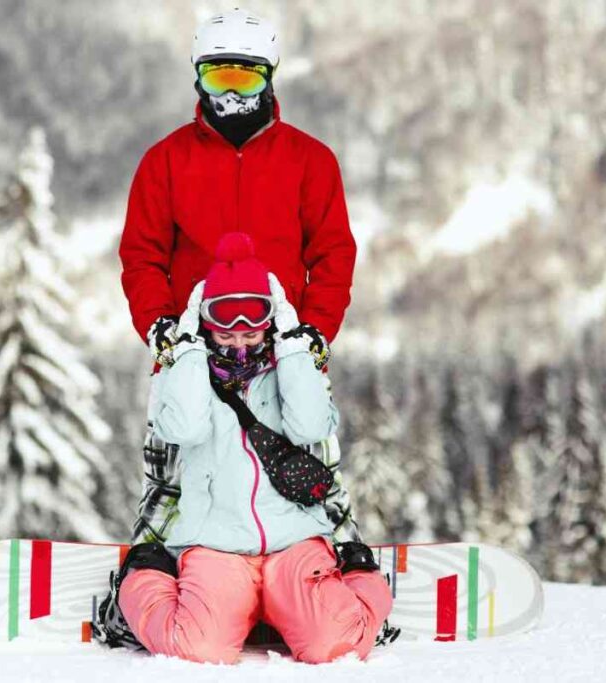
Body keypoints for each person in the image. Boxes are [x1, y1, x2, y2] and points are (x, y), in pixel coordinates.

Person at [118, 6, 361, 563]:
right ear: (197, 79)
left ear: (270, 77)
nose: (230, 93)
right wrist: (160, 327)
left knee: (306, 463)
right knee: (181, 471)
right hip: (193, 350)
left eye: (244, 77)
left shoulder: (310, 161)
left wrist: (315, 332)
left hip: (284, 351)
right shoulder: (165, 162)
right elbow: (141, 255)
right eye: (217, 76)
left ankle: (331, 557)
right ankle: (155, 564)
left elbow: (332, 254)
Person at [107, 233, 393, 664]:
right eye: (225, 321)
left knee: (334, 646)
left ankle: (358, 579)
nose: (239, 337)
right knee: (198, 649)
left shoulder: (293, 366)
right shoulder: (185, 370)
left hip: (294, 543)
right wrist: (185, 350)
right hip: (215, 545)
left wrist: (295, 343)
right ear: (206, 320)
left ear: (271, 317)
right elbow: (182, 428)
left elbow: (311, 426)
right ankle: (142, 580)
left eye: (253, 319)